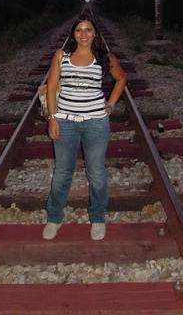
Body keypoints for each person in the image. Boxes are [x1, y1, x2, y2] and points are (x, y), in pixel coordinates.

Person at [42, 15, 126, 240]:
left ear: (95, 34)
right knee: (62, 172)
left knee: (96, 173)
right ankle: (54, 217)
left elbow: (121, 79)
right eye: (79, 30)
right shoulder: (61, 57)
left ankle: (98, 217)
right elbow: (51, 88)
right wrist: (53, 118)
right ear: (73, 34)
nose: (84, 34)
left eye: (88, 30)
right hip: (66, 123)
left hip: (96, 124)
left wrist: (111, 104)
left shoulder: (104, 57)